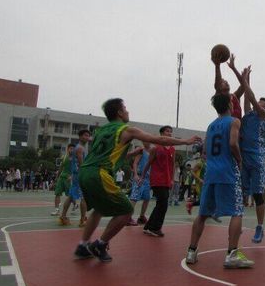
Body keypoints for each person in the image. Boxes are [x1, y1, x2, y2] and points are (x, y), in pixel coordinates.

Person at [73, 98, 200, 262]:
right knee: (126, 211)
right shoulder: (126, 130)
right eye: (125, 108)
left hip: (85, 172)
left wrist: (131, 154)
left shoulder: (101, 131)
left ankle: (83, 245)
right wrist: (185, 141)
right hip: (99, 173)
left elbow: (103, 154)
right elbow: (160, 140)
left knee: (98, 209)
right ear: (119, 112)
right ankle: (100, 244)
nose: (127, 111)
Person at [185, 93, 253, 269]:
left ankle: (191, 252)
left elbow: (205, 151)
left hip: (211, 173)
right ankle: (232, 255)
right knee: (237, 212)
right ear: (230, 104)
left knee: (202, 214)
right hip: (227, 172)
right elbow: (232, 143)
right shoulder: (234, 121)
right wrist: (239, 160)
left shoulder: (211, 126)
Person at [228, 58, 265, 243]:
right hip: (244, 159)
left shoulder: (264, 117)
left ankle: (260, 226)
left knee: (258, 194)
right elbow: (247, 96)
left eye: (261, 104)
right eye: (258, 103)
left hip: (257, 160)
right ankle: (237, 223)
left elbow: (251, 96)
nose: (257, 105)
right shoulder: (248, 115)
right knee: (241, 193)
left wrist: (242, 76)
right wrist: (245, 77)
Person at [139, 126, 177, 237]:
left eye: (170, 131)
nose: (169, 133)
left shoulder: (172, 149)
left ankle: (148, 227)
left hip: (167, 180)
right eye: (167, 131)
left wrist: (172, 179)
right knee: (163, 204)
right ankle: (155, 228)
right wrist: (142, 176)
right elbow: (148, 163)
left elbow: (173, 165)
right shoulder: (155, 148)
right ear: (161, 134)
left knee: (160, 204)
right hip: (157, 179)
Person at [59, 130, 91, 227]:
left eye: (88, 136)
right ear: (80, 137)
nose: (87, 137)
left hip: (76, 175)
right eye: (85, 135)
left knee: (71, 196)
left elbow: (75, 163)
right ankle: (82, 220)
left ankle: (63, 216)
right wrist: (86, 175)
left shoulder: (78, 147)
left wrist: (73, 175)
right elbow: (82, 164)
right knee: (84, 197)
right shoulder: (80, 148)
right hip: (80, 175)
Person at [127, 142, 152, 226]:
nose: (146, 142)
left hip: (147, 179)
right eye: (144, 140)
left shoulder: (152, 152)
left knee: (147, 198)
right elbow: (135, 163)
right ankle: (128, 218)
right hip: (140, 177)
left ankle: (141, 217)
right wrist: (135, 174)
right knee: (134, 197)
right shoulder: (141, 151)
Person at [52, 146, 73, 217]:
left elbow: (77, 169)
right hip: (61, 177)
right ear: (68, 149)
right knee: (57, 193)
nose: (72, 150)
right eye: (71, 149)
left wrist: (72, 176)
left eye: (73, 149)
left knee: (69, 195)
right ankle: (57, 210)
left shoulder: (75, 158)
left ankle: (75, 204)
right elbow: (61, 168)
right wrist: (57, 177)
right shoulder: (64, 157)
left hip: (68, 178)